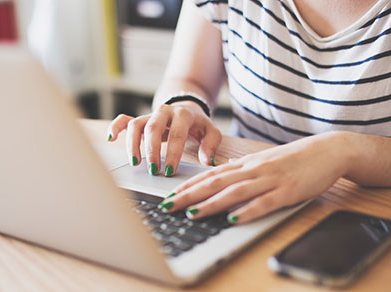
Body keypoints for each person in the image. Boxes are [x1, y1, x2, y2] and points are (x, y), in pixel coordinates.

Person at [108, 0, 391, 224]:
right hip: (244, 203)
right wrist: (184, 105)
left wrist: (343, 151)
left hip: (361, 219)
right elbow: (189, 78)